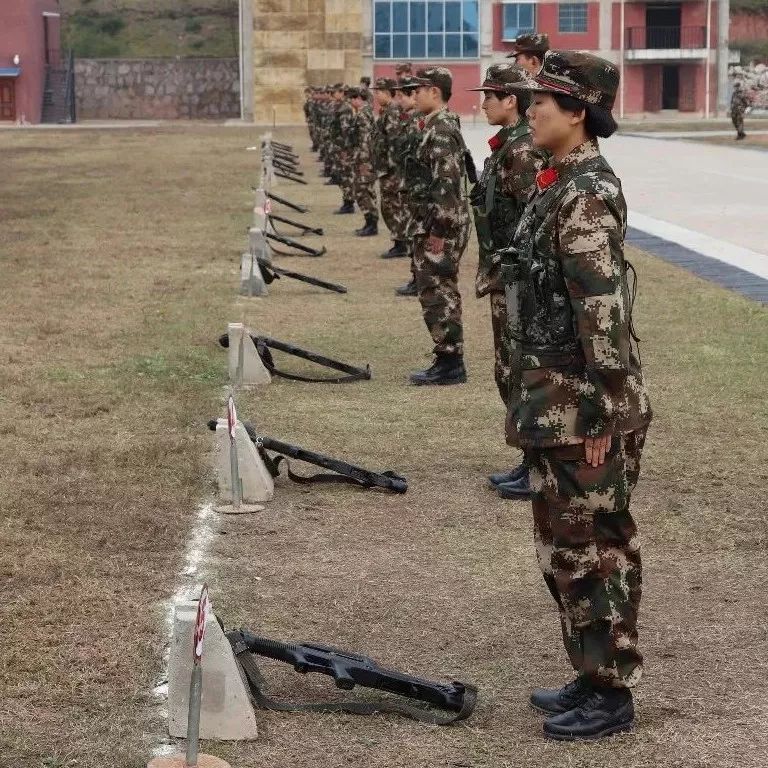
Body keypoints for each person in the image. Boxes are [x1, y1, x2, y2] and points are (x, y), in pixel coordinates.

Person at [503, 50, 653, 740]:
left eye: (544, 102)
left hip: (582, 402)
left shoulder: (586, 190)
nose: (530, 109)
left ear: (579, 114)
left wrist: (604, 407)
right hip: (551, 398)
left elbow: (602, 310)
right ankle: (588, 669)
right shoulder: (555, 181)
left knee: (595, 546)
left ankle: (612, 692)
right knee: (562, 549)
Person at [466, 63, 546, 500]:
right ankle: (529, 458)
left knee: (519, 369)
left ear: (511, 99)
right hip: (503, 273)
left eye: (491, 97)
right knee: (508, 369)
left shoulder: (523, 151)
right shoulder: (507, 148)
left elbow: (532, 218)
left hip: (518, 277)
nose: (483, 104)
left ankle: (537, 463)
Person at [400, 67, 471, 385]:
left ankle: (450, 361)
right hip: (430, 223)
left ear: (435, 92)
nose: (413, 95)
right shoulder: (434, 126)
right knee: (433, 290)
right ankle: (446, 356)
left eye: (419, 89)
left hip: (438, 227)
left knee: (438, 291)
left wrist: (439, 232)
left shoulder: (441, 129)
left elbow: (447, 184)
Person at [372, 77, 408, 258]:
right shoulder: (387, 111)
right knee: (388, 205)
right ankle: (399, 240)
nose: (375, 96)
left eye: (377, 92)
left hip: (391, 170)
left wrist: (393, 170)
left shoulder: (393, 111)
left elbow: (394, 142)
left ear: (387, 92)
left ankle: (400, 242)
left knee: (391, 205)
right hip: (386, 168)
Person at [348, 87, 379, 237]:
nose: (351, 102)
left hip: (364, 159)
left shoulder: (362, 115)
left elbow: (366, 139)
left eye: (352, 99)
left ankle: (371, 223)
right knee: (367, 191)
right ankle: (370, 222)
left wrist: (363, 162)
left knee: (362, 190)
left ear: (358, 99)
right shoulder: (367, 112)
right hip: (364, 158)